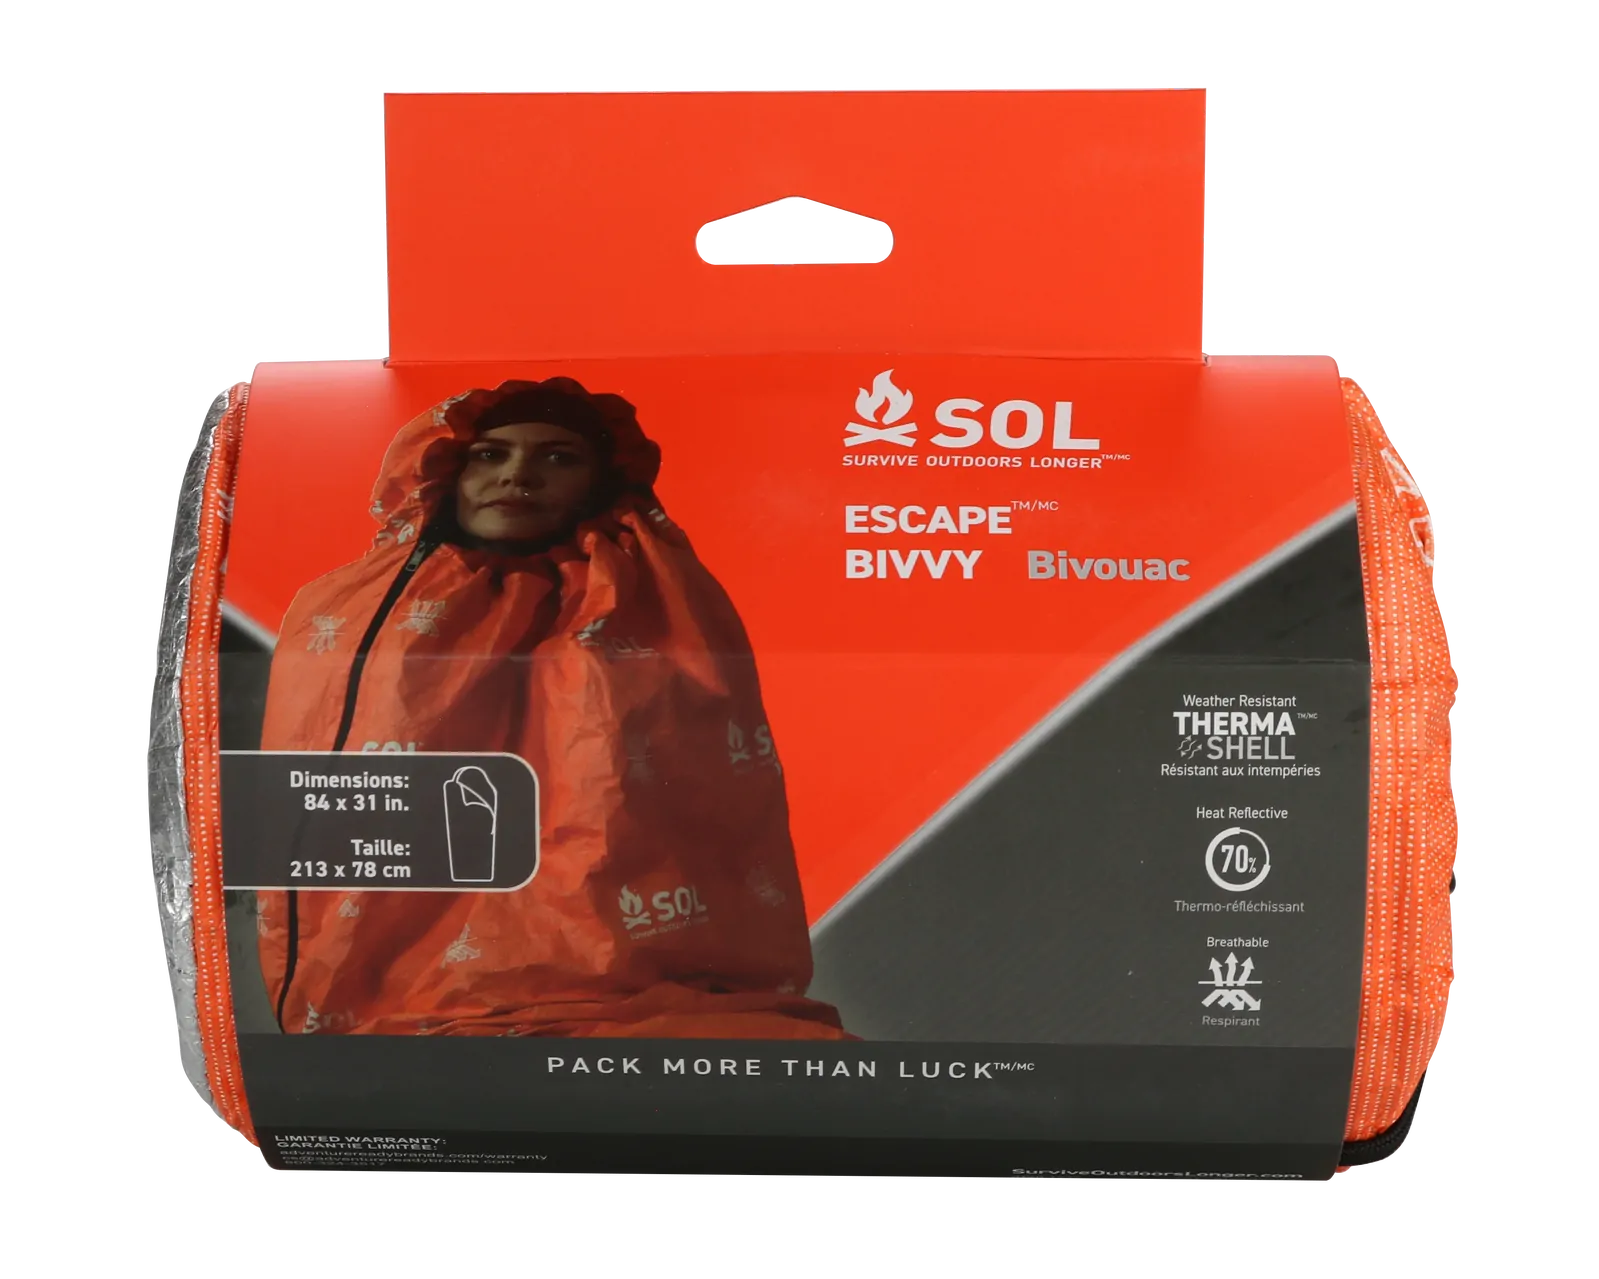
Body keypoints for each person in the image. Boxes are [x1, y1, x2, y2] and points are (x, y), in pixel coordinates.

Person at [255, 378, 851, 1040]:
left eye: (558, 457)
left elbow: (688, 806)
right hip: (386, 1000)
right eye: (490, 454)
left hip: (635, 981)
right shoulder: (351, 608)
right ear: (445, 470)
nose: (518, 475)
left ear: (600, 481)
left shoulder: (654, 600)